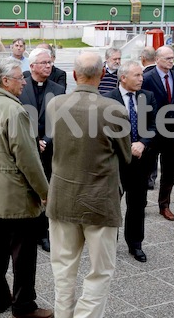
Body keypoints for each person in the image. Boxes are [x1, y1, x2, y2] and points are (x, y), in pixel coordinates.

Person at [47, 52, 131, 318]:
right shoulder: (114, 110)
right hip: (99, 199)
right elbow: (126, 154)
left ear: (74, 74)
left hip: (62, 195)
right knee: (100, 270)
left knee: (63, 268)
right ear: (103, 74)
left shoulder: (55, 104)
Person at [0, 58, 52, 318]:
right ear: (5, 81)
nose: (24, 82)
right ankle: (23, 305)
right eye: (20, 78)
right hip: (16, 195)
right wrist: (45, 192)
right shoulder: (15, 111)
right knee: (23, 255)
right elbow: (29, 160)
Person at [104, 60, 157, 263]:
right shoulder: (108, 99)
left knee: (137, 205)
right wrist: (126, 147)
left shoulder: (147, 96)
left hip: (141, 162)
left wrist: (143, 143)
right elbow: (103, 131)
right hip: (116, 163)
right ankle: (109, 245)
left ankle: (135, 244)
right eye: (137, 75)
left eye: (141, 75)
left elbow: (154, 124)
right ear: (123, 77)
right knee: (112, 206)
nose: (141, 79)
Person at [19, 48, 64, 252]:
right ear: (32, 66)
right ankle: (27, 229)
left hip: (48, 149)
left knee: (47, 190)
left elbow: (59, 119)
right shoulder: (20, 84)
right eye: (44, 63)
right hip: (26, 147)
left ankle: (43, 233)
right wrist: (33, 140)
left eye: (50, 62)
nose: (49, 65)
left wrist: (45, 139)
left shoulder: (57, 89)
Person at [142, 45, 174, 221]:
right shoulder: (147, 78)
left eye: (173, 58)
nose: (171, 61)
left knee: (169, 169)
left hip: (171, 130)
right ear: (157, 59)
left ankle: (164, 205)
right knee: (145, 169)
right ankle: (140, 202)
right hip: (152, 130)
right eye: (168, 58)